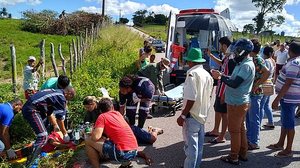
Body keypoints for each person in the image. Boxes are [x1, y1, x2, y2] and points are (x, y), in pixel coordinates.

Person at [211, 38, 255, 165]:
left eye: (237, 51)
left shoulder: (246, 65)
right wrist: (224, 76)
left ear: (242, 52)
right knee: (240, 129)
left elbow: (235, 83)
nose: (235, 54)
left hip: (237, 103)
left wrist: (220, 77)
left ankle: (234, 156)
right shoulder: (243, 64)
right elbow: (234, 78)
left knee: (234, 131)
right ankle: (243, 153)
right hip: (237, 101)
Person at [176, 48, 213, 168]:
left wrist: (182, 115)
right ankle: (195, 165)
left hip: (192, 114)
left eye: (188, 61)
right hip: (202, 113)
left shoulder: (192, 74)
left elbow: (191, 97)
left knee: (191, 145)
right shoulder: (207, 75)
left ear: (191, 62)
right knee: (199, 145)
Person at [22, 87, 75, 166]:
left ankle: (34, 157)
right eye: (70, 98)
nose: (67, 101)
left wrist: (55, 125)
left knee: (43, 135)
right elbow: (60, 118)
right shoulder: (61, 96)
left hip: (32, 108)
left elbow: (49, 113)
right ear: (68, 93)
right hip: (32, 109)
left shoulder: (55, 94)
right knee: (43, 136)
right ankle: (30, 163)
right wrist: (65, 133)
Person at [267, 41, 300, 157]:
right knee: (285, 122)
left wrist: (277, 99)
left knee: (289, 124)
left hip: (289, 98)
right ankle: (281, 143)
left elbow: (288, 83)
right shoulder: (295, 62)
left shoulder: (294, 63)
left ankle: (288, 149)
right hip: (290, 97)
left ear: (291, 51)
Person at [85, 98, 138, 168]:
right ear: (112, 107)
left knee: (88, 141)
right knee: (107, 140)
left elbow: (95, 137)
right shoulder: (118, 114)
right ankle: (125, 163)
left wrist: (91, 132)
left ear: (100, 110)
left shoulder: (102, 116)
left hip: (122, 153)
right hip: (134, 150)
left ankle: (96, 167)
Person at [205, 36, 235, 144]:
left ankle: (222, 135)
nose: (220, 48)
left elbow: (231, 77)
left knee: (224, 113)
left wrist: (225, 93)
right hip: (220, 88)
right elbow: (222, 64)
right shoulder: (227, 57)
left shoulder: (231, 59)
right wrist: (211, 56)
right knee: (218, 110)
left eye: (221, 45)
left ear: (225, 45)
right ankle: (215, 130)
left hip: (224, 90)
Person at [246, 39, 270, 150]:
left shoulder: (257, 59)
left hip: (255, 93)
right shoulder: (253, 58)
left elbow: (267, 72)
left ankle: (254, 141)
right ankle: (250, 139)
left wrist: (256, 84)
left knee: (253, 118)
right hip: (252, 92)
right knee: (250, 117)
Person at [260, 46, 276, 129]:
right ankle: (271, 122)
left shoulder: (265, 61)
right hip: (270, 83)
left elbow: (263, 73)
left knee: (261, 106)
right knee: (266, 105)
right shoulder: (273, 61)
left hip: (265, 83)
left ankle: (258, 124)